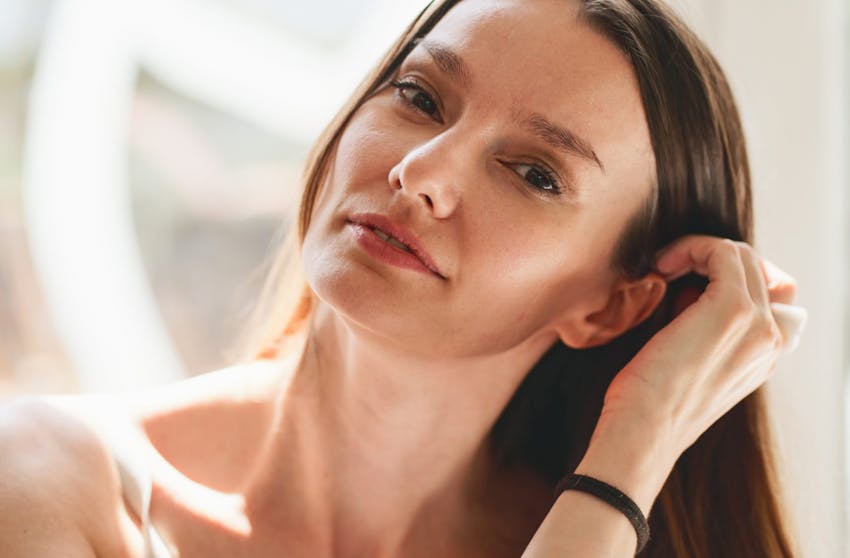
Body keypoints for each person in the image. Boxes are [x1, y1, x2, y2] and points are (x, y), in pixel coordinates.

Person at [0, 0, 804, 556]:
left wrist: (634, 453)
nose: (422, 169)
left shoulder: (605, 533)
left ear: (609, 308)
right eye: (419, 95)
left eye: (534, 174)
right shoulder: (53, 481)